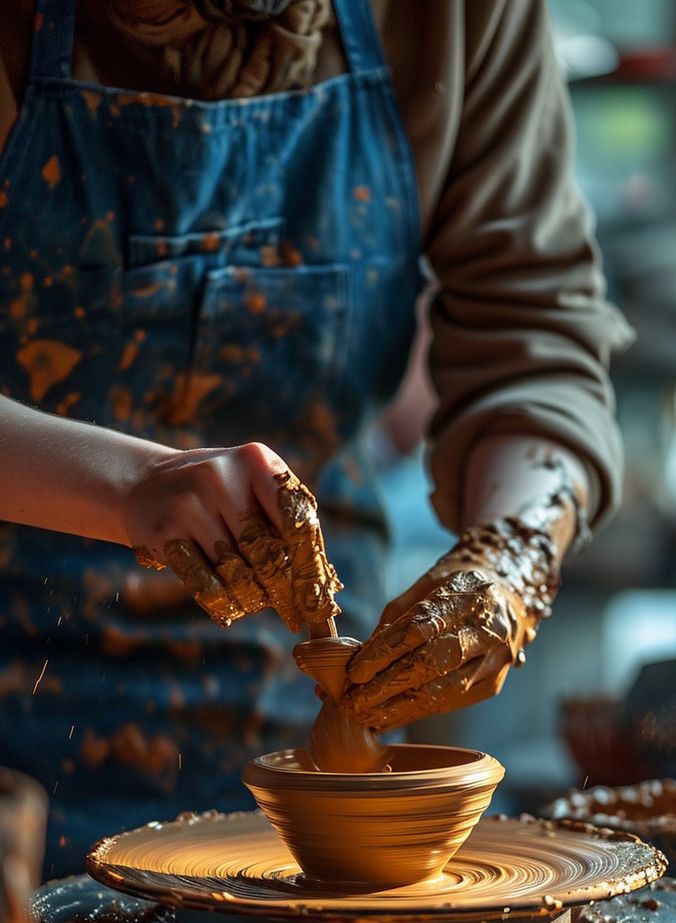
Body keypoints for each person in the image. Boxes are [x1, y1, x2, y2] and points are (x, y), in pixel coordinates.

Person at [0, 0, 630, 876]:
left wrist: (513, 554)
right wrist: (126, 483)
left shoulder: (455, 17)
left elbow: (539, 335)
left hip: (308, 718)